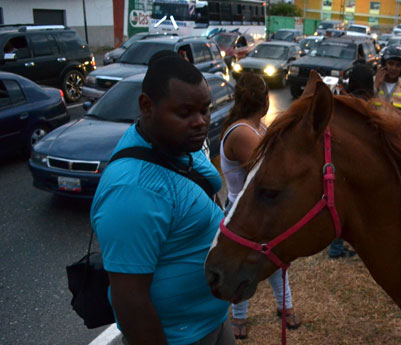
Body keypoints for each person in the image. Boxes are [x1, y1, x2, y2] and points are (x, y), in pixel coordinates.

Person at [90, 51, 235, 345]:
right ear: (147, 106)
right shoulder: (132, 190)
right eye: (185, 113)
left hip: (213, 321)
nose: (201, 122)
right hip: (179, 337)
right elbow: (130, 302)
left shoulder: (180, 145)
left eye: (205, 110)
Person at [219, 73, 301, 339]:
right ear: (264, 101)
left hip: (256, 208)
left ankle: (285, 306)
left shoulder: (256, 128)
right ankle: (239, 316)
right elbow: (269, 171)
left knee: (276, 260)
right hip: (241, 210)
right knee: (244, 264)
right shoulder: (243, 132)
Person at [329, 63, 375, 260]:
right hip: (358, 166)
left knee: (338, 207)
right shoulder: (367, 108)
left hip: (336, 165)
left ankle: (336, 247)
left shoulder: (340, 104)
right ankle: (341, 247)